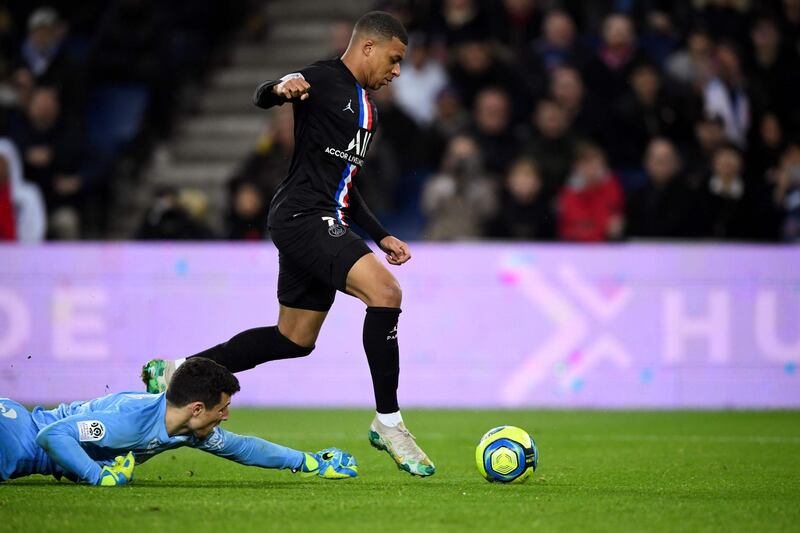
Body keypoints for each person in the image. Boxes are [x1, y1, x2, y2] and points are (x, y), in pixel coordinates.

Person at [142, 11, 435, 477]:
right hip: (304, 216)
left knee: (294, 339)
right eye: (394, 59)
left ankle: (180, 368)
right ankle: (389, 421)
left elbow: (346, 183)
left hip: (319, 216)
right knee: (386, 293)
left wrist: (380, 235)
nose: (396, 71)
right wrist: (281, 89)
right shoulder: (320, 77)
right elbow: (264, 94)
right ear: (368, 48)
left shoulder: (369, 110)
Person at [0, 357, 357, 485]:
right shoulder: (132, 420)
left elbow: (243, 448)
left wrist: (308, 462)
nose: (227, 417)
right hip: (13, 435)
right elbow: (51, 434)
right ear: (197, 409)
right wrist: (97, 476)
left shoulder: (188, 431)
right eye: (223, 409)